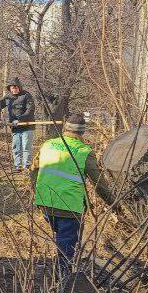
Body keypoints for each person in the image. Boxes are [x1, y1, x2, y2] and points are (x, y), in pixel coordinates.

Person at [31, 113, 99, 279]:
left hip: (45, 203)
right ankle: (63, 280)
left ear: (64, 129)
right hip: (69, 206)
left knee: (60, 238)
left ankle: (60, 273)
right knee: (66, 246)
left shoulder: (47, 144)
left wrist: (37, 193)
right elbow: (99, 183)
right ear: (82, 133)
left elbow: (34, 170)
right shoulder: (85, 151)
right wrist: (116, 203)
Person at [0, 78, 35, 171]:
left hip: (27, 126)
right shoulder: (8, 98)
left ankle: (26, 167)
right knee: (16, 147)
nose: (14, 89)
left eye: (16, 87)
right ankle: (17, 166)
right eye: (12, 88)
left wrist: (20, 119)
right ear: (10, 89)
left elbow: (30, 110)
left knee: (26, 146)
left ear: (19, 87)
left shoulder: (26, 95)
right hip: (15, 127)